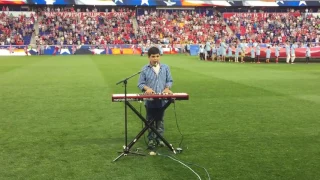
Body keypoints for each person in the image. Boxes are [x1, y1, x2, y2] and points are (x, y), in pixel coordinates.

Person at [137, 46, 173, 149]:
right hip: (150, 100)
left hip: (162, 100)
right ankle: (151, 140)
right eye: (153, 56)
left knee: (160, 120)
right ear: (149, 57)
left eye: (157, 56)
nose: (155, 58)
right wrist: (146, 88)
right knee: (150, 120)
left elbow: (169, 80)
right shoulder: (144, 69)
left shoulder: (165, 68)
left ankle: (160, 139)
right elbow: (140, 83)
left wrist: (167, 88)